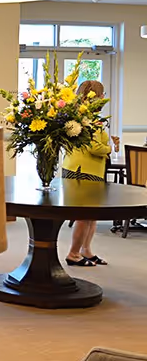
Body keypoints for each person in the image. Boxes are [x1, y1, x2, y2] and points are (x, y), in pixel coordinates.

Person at [62, 80, 115, 267]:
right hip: (82, 170)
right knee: (84, 216)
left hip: (88, 169)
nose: (103, 98)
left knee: (92, 215)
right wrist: (109, 148)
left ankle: (86, 250)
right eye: (102, 94)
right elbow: (93, 147)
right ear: (95, 96)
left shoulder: (83, 115)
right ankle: (73, 254)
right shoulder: (86, 118)